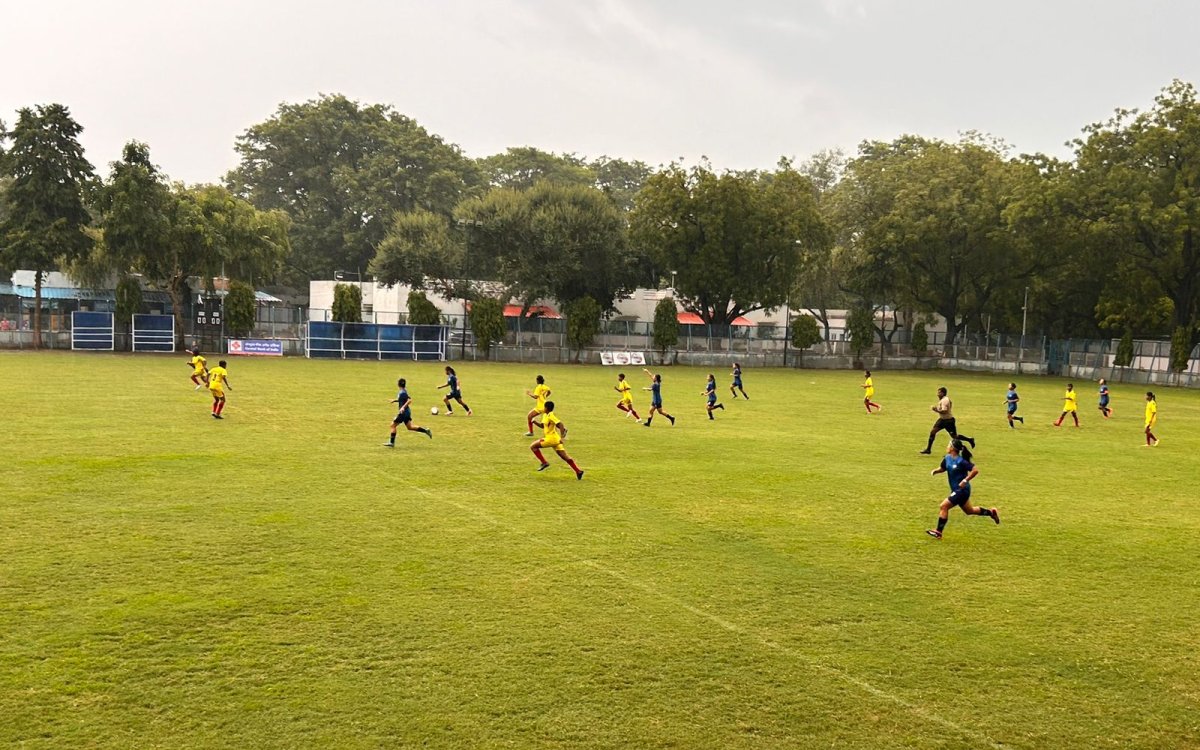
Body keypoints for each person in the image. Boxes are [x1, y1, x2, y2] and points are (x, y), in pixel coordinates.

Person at [925, 438, 999, 539]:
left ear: (952, 448)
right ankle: (991, 512)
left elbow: (975, 470)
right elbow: (943, 468)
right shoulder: (947, 458)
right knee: (969, 511)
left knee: (944, 506)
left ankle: (938, 531)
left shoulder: (961, 461)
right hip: (956, 490)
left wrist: (965, 480)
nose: (947, 447)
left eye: (948, 445)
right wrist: (936, 471)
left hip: (962, 490)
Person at [530, 400, 583, 479]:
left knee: (533, 446)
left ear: (546, 408)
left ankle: (544, 462)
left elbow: (560, 424)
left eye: (544, 407)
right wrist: (534, 422)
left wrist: (562, 437)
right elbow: (542, 426)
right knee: (564, 456)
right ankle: (578, 471)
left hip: (551, 439)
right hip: (555, 439)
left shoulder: (551, 415)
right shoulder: (545, 415)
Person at [921, 386, 974, 454]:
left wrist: (936, 410)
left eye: (939, 393)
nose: (937, 394)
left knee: (954, 437)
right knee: (932, 432)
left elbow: (945, 411)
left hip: (948, 421)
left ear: (943, 393)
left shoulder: (945, 400)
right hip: (942, 420)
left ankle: (969, 440)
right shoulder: (943, 399)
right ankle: (928, 450)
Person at [384, 378, 432, 446]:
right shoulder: (403, 391)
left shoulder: (402, 392)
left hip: (403, 412)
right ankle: (426, 430)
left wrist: (403, 407)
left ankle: (392, 443)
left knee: (393, 425)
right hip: (407, 412)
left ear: (398, 384)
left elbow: (409, 400)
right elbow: (403, 399)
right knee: (410, 427)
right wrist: (394, 400)